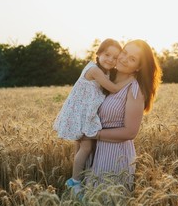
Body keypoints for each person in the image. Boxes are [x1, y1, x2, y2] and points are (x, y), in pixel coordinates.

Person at [53, 38, 135, 194]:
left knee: (81, 146)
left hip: (85, 111)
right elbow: (114, 88)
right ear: (98, 53)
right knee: (86, 146)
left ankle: (80, 179)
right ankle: (75, 182)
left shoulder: (103, 70)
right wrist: (131, 79)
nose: (110, 60)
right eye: (107, 54)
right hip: (82, 114)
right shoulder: (95, 70)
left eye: (115, 57)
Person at [85, 39, 162, 190]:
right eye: (124, 52)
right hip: (91, 151)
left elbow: (130, 132)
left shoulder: (134, 89)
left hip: (114, 155)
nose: (124, 59)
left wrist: (93, 134)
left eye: (132, 59)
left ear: (138, 67)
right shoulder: (104, 78)